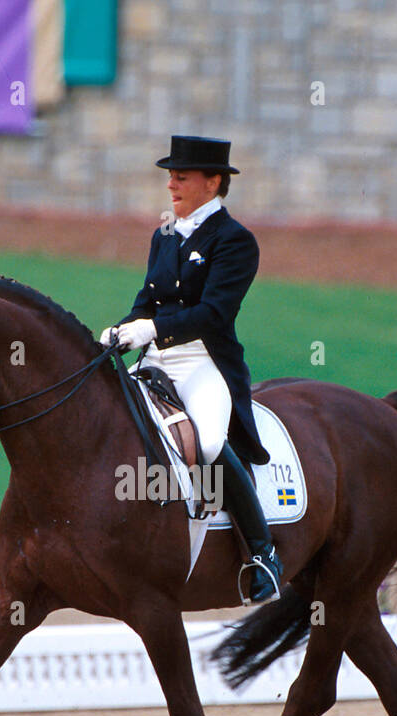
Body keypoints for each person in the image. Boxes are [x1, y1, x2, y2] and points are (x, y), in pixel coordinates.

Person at [101, 135, 283, 603]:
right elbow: (145, 303)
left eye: (181, 176)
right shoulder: (163, 236)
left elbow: (214, 314)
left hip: (205, 362)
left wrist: (151, 329)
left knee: (205, 441)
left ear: (214, 181)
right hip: (155, 360)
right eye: (170, 175)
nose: (172, 184)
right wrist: (119, 334)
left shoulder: (235, 241)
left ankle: (262, 553)